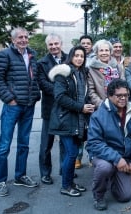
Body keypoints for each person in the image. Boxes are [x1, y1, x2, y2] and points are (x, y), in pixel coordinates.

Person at [0, 27, 41, 196]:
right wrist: (9, 99)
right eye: (20, 37)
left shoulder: (32, 54)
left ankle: (20, 175)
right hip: (12, 106)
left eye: (26, 37)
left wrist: (35, 96)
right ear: (13, 40)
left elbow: (35, 78)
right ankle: (0, 181)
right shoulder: (4, 54)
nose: (23, 39)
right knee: (4, 145)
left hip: (28, 106)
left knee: (24, 144)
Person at [86, 79, 131, 211]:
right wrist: (116, 158)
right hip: (103, 156)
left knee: (124, 196)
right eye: (119, 95)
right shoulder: (98, 116)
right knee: (104, 167)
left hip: (125, 158)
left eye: (126, 95)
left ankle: (112, 178)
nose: (123, 98)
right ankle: (99, 195)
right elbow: (94, 143)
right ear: (109, 96)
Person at [48, 46, 95, 197]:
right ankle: (66, 186)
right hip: (66, 119)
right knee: (71, 153)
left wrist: (87, 106)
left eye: (82, 56)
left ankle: (69, 182)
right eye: (76, 55)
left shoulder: (82, 73)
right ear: (71, 56)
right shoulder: (64, 73)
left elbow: (83, 95)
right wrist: (81, 107)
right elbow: (60, 97)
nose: (79, 58)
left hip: (78, 120)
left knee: (72, 153)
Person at [37, 33, 68, 184]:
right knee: (46, 143)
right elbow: (42, 83)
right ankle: (45, 173)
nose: (54, 47)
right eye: (51, 44)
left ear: (61, 43)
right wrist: (61, 90)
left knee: (65, 142)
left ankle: (65, 169)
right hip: (50, 108)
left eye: (56, 43)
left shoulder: (70, 59)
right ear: (47, 46)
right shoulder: (42, 63)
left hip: (67, 108)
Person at [76, 35, 95, 169]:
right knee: (80, 130)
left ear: (92, 45)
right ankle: (78, 158)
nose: (86, 45)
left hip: (92, 99)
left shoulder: (96, 58)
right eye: (83, 43)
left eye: (88, 43)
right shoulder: (76, 57)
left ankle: (92, 156)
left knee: (92, 131)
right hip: (80, 100)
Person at [88, 39, 122, 107]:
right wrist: (102, 104)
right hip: (101, 107)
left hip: (118, 105)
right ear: (96, 53)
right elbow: (91, 91)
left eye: (106, 50)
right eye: (101, 50)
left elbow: (123, 85)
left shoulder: (118, 67)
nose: (104, 53)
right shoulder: (91, 69)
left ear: (110, 52)